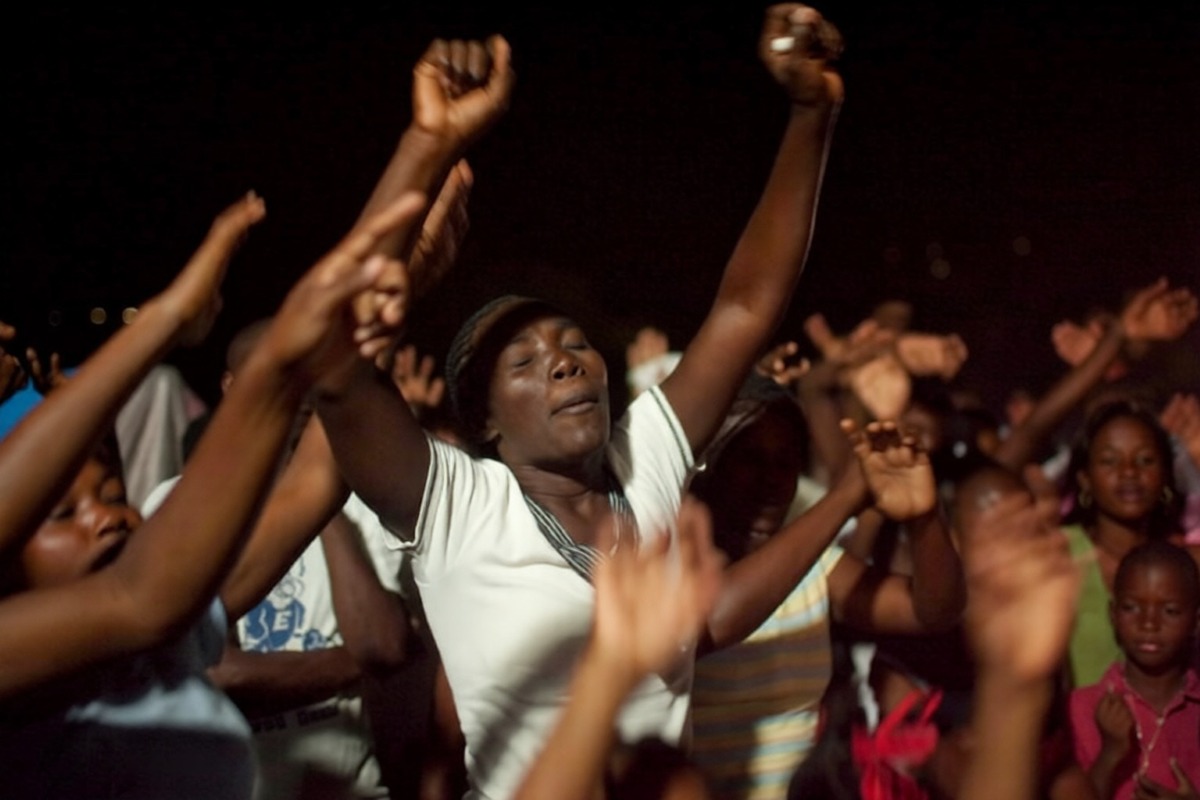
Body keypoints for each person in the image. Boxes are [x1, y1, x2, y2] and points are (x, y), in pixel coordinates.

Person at [316, 6, 844, 798]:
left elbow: (746, 308)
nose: (562, 362)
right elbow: (333, 366)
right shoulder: (458, 503)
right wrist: (429, 149)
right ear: (485, 421)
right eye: (523, 361)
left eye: (572, 345)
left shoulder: (645, 462)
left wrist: (812, 112)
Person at [0, 191, 428, 799]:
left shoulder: (163, 637)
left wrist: (418, 193)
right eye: (64, 513)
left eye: (115, 492)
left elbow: (310, 483)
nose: (112, 518)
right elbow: (142, 597)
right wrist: (166, 318)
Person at [1063, 400, 1200, 686]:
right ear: (1084, 479)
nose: (1129, 472)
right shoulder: (1056, 554)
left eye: (1145, 460)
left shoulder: (1188, 564)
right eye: (1110, 461)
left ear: (1166, 475)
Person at [1069, 541, 1200, 800]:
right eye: (1131, 607)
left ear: (1196, 623)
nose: (1149, 623)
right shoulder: (1080, 708)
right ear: (1113, 615)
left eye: (1170, 611)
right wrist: (1110, 753)